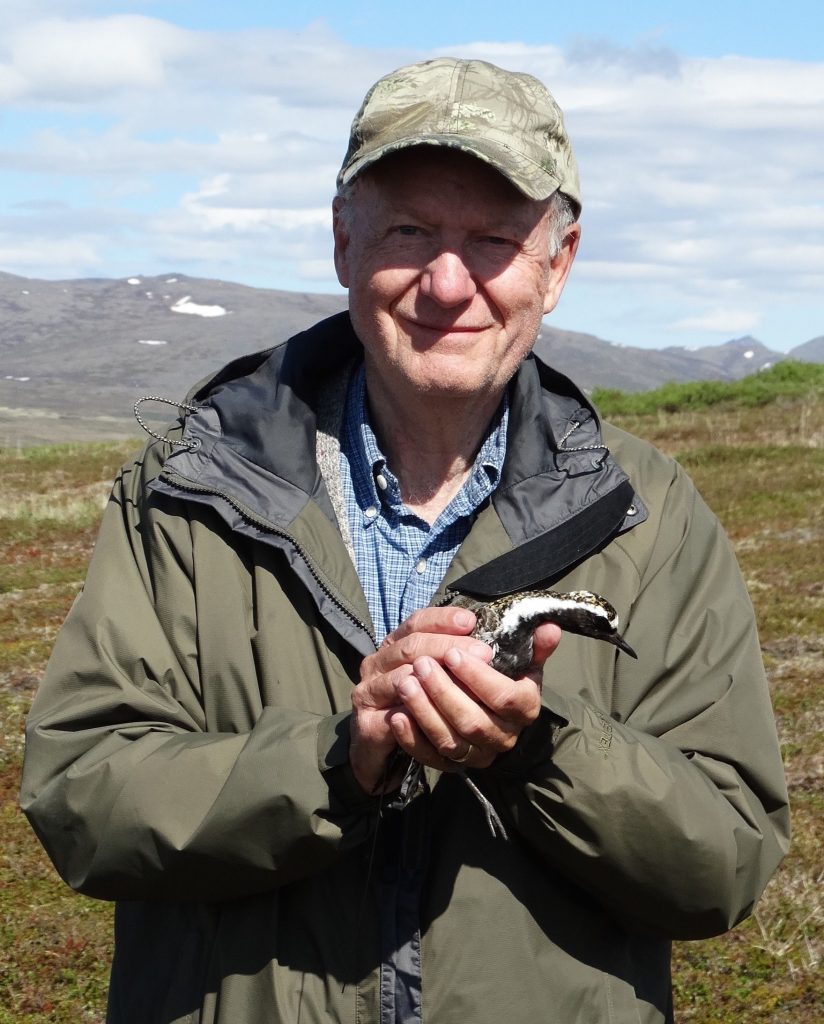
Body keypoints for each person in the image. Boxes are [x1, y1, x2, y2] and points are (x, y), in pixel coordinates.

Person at [21, 57, 789, 1024]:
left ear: (560, 262)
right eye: (410, 231)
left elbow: (724, 861)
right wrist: (342, 759)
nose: (447, 283)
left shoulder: (652, 514)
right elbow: (81, 799)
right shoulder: (187, 494)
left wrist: (536, 752)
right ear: (344, 241)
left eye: (496, 240)